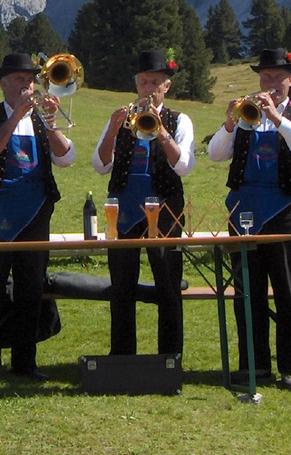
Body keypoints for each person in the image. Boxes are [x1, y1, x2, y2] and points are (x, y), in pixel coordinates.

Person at [206, 47, 291, 391]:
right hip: (244, 212)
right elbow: (215, 153)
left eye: (277, 77)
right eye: (265, 77)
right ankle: (253, 366)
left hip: (284, 211)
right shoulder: (245, 114)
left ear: (290, 80)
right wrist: (229, 123)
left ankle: (290, 367)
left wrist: (277, 119)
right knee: (247, 294)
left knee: (287, 292)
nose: (270, 83)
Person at [0, 51, 76, 381]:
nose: (27, 86)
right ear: (4, 84)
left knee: (31, 288)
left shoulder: (42, 121)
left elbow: (67, 158)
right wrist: (16, 116)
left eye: (30, 80)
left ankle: (25, 362)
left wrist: (52, 123)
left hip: (35, 212)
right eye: (19, 80)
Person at [92, 48, 195, 357]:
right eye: (143, 82)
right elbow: (100, 165)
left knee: (168, 285)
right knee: (121, 285)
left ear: (167, 86)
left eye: (154, 83)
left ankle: (170, 357)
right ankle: (122, 357)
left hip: (165, 208)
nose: (148, 89)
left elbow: (184, 166)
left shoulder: (180, 120)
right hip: (123, 208)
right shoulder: (123, 117)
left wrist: (162, 132)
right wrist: (112, 128)